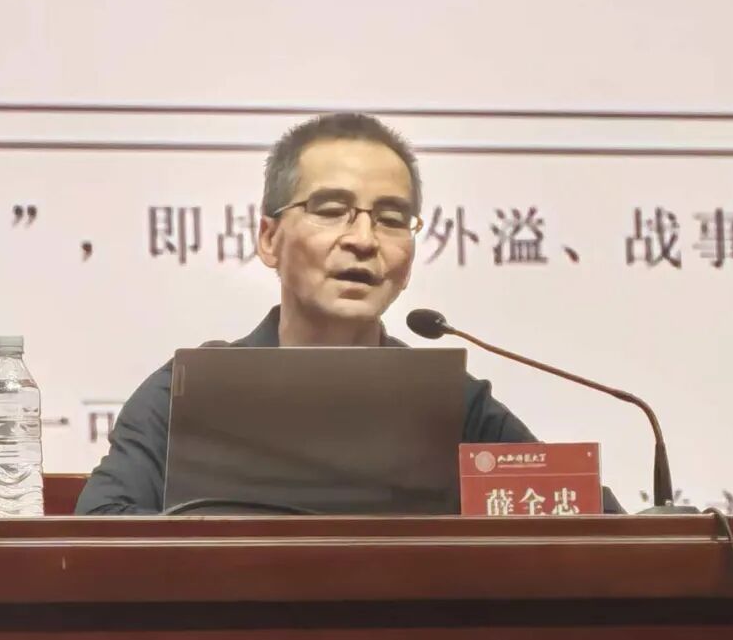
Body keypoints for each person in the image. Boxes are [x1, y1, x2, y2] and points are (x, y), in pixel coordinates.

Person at [76, 113, 622, 514]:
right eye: (333, 210)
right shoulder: (188, 391)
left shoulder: (451, 404)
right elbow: (102, 527)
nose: (363, 239)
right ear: (268, 238)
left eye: (391, 219)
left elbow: (585, 519)